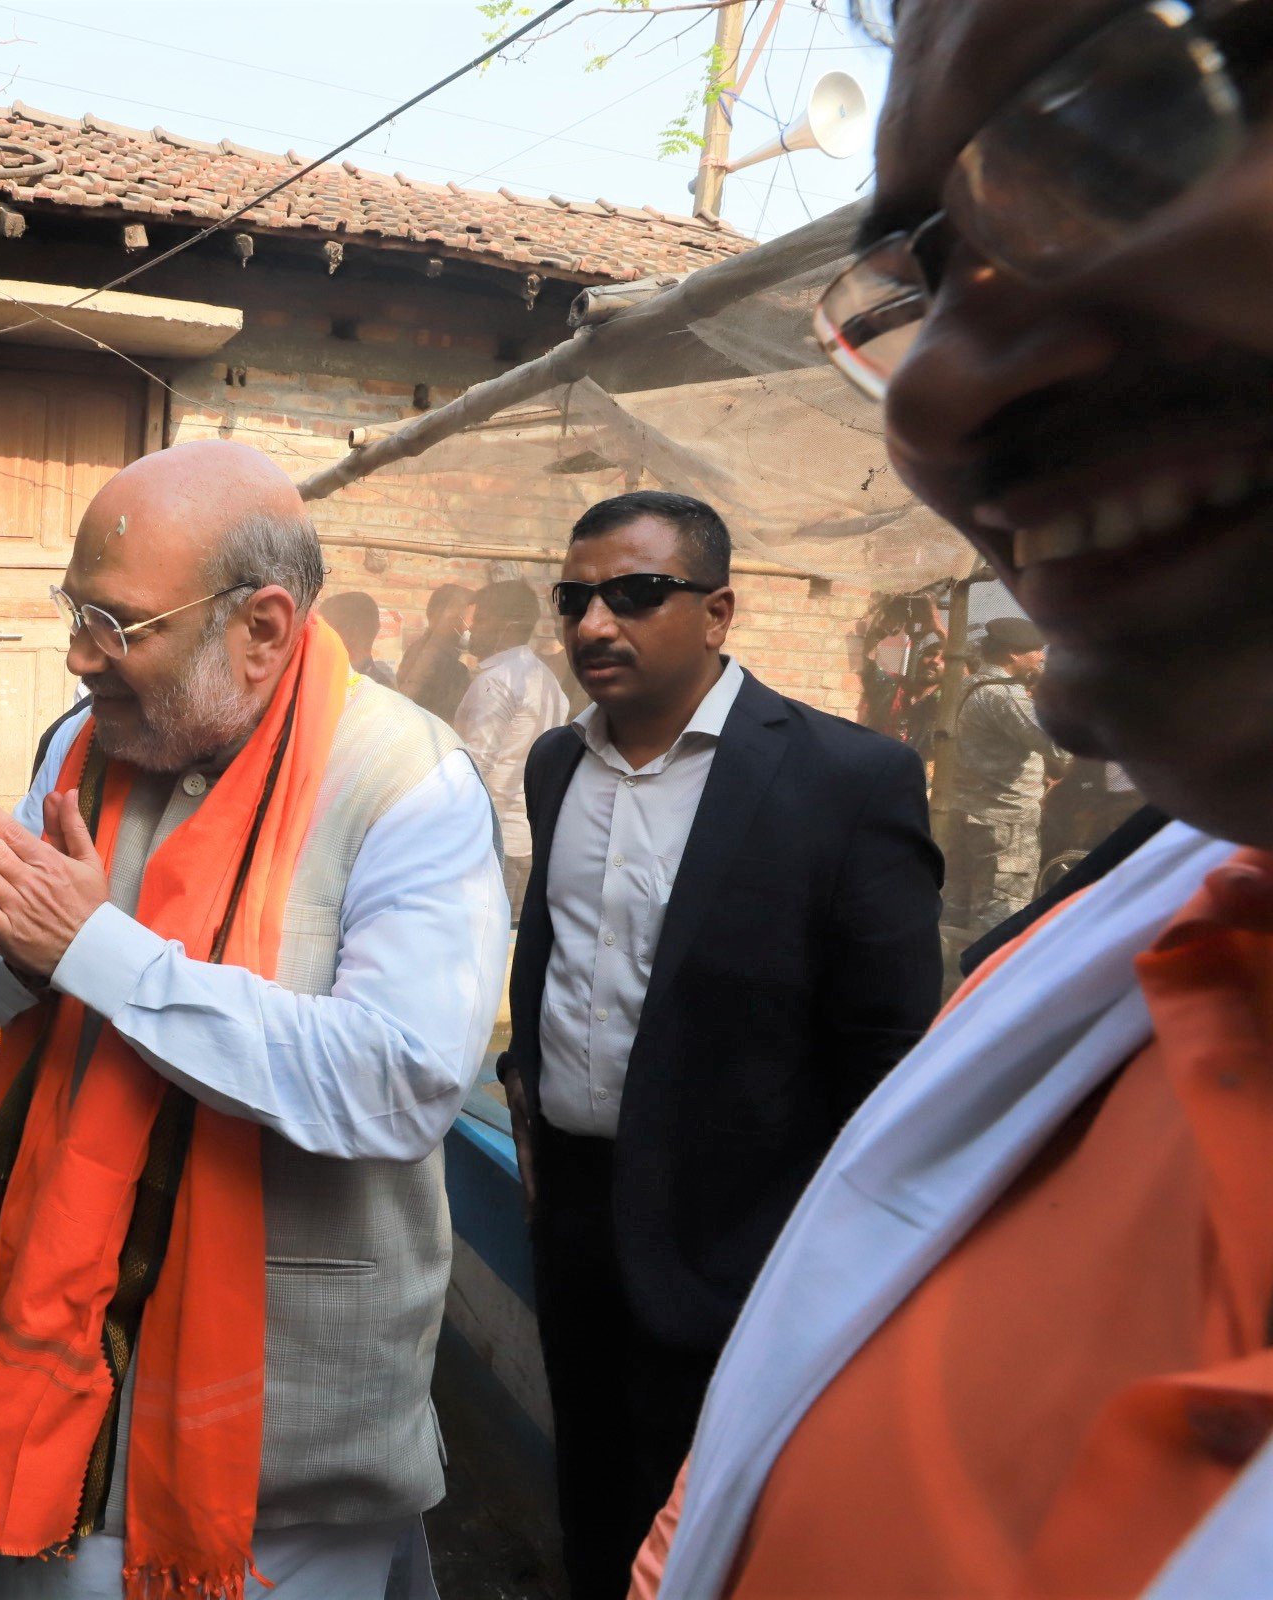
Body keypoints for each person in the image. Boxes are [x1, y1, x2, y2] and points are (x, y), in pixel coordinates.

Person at [634, 1, 1273, 1592]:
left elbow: (859, 1019)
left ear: (721, 612)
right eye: (913, 279)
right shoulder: (1112, 978)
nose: (927, 403)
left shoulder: (853, 776)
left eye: (1121, 124)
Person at [0, 439, 510, 1599]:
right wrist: (24, 953)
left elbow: (397, 1079)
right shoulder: (82, 743)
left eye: (122, 625)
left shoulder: (405, 783)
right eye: (75, 610)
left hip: (281, 1432)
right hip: (58, 1366)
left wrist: (100, 953)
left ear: (264, 628)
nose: (81, 654)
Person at [497, 489, 942, 1600]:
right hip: (581, 1218)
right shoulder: (558, 764)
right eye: (575, 598)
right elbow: (550, 953)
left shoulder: (843, 781)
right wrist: (530, 1111)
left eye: (637, 593)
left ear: (718, 610)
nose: (596, 624)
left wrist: (829, 1256)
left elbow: (886, 1049)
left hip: (738, 1235)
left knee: (709, 1527)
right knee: (593, 1498)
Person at [941, 615, 1067, 941]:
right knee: (1000, 917)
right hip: (1005, 824)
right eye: (1037, 651)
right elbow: (1061, 746)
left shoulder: (969, 685)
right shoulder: (1005, 697)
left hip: (964, 814)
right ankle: (978, 986)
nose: (1042, 657)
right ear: (1013, 653)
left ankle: (945, 984)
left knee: (953, 910)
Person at [453, 580, 569, 911]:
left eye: (482, 620)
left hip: (493, 843)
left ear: (508, 626)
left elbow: (476, 765)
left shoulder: (498, 681)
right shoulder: (544, 679)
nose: (472, 629)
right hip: (526, 842)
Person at [395, 581, 478, 720]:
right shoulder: (447, 666)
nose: (473, 627)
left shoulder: (419, 650)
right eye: (472, 619)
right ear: (451, 618)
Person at [319, 588, 396, 686]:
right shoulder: (383, 688)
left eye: (326, 627)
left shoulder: (378, 694)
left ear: (351, 633)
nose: (319, 636)